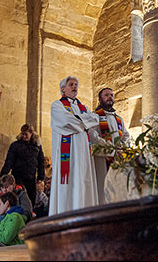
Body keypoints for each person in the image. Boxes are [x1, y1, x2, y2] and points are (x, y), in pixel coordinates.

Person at [49, 76, 100, 215]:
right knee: (69, 184)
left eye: (76, 84)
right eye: (70, 84)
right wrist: (85, 123)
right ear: (63, 89)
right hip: (69, 154)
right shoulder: (57, 105)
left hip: (83, 154)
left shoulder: (83, 107)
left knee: (83, 182)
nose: (74, 86)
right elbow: (65, 121)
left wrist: (80, 122)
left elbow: (95, 119)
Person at [90, 87, 131, 205]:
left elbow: (126, 136)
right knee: (102, 192)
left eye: (111, 95)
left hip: (117, 160)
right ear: (100, 99)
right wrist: (110, 149)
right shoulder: (94, 117)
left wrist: (122, 148)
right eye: (106, 95)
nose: (110, 97)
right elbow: (93, 137)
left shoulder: (119, 119)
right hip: (102, 160)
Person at [0, 124, 45, 208]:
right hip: (18, 177)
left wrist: (40, 178)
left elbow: (41, 163)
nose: (24, 136)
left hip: (31, 178)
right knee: (18, 199)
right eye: (22, 134)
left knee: (31, 200)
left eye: (26, 134)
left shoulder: (37, 147)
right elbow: (9, 161)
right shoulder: (15, 145)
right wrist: (4, 174)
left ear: (31, 133)